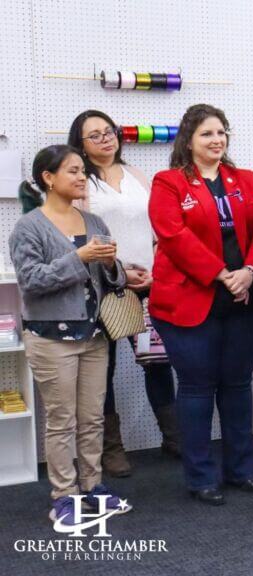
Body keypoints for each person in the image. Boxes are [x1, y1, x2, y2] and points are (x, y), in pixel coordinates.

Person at [148, 104, 253, 505]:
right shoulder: (168, 183)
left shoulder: (246, 179)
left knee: (237, 385)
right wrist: (224, 273)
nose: (216, 139)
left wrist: (251, 271)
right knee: (198, 387)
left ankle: (241, 468)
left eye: (221, 132)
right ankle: (201, 475)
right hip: (190, 300)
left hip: (245, 298)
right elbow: (173, 236)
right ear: (189, 140)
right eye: (207, 134)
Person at [10, 145, 131, 526]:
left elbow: (114, 280)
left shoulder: (94, 222)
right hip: (50, 338)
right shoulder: (28, 226)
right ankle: (64, 495)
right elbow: (31, 282)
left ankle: (93, 487)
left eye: (83, 171)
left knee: (92, 418)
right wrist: (77, 259)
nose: (82, 178)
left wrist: (112, 265)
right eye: (73, 171)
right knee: (61, 420)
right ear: (48, 178)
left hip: (95, 335)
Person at [67, 109, 179, 478]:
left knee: (156, 362)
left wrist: (155, 271)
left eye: (109, 131)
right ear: (79, 145)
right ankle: (111, 449)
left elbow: (160, 230)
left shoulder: (136, 176)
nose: (105, 138)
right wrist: (118, 273)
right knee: (105, 369)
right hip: (103, 289)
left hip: (147, 286)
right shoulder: (82, 184)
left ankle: (173, 438)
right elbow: (79, 239)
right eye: (94, 135)